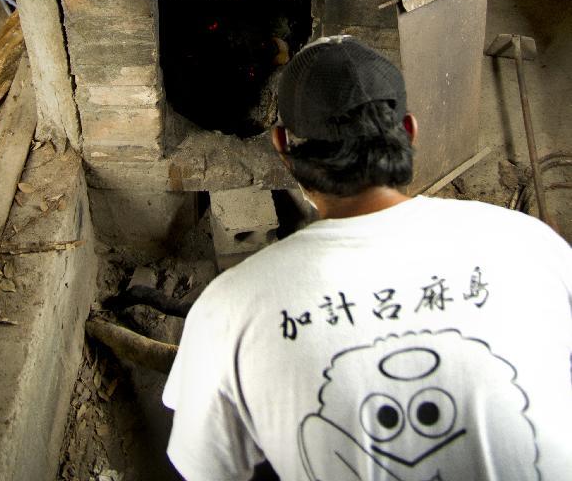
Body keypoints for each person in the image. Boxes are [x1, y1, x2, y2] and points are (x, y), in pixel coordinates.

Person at [163, 35, 572, 481]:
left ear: (281, 145)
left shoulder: (227, 309)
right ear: (410, 132)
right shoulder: (530, 244)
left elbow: (206, 470)